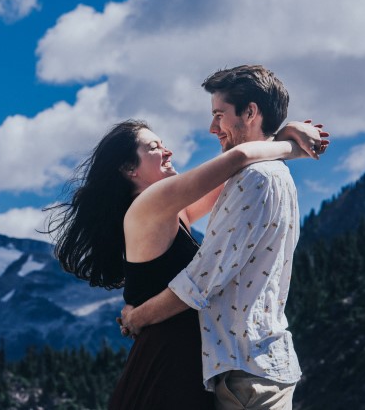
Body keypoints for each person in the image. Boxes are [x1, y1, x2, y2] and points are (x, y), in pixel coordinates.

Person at [46, 110, 325, 408]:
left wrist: (283, 134)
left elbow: (235, 172)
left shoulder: (172, 212)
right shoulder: (149, 205)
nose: (168, 151)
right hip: (168, 360)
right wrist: (293, 145)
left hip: (182, 356)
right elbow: (238, 158)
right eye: (154, 148)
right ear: (130, 168)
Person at [120, 65, 326, 410]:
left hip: (246, 371)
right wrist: (285, 140)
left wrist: (135, 318)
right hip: (250, 363)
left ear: (250, 112)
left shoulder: (254, 179)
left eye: (219, 115)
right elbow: (236, 160)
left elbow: (201, 280)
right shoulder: (263, 174)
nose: (212, 127)